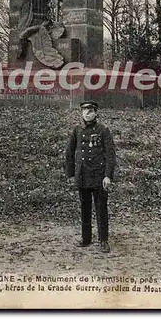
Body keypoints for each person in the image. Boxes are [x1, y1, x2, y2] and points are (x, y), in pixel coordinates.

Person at [65, 101, 116, 253]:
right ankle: (86, 238)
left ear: (96, 113)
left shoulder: (103, 130)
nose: (87, 113)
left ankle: (103, 240)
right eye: (84, 111)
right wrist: (71, 174)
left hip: (99, 176)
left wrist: (108, 176)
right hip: (83, 175)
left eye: (90, 110)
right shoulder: (77, 130)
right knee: (85, 208)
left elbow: (110, 155)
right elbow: (69, 152)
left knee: (101, 208)